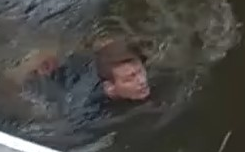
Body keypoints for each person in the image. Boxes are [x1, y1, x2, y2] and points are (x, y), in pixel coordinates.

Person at [13, 38, 152, 115]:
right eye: (129, 79)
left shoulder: (134, 71)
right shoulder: (86, 106)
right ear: (110, 88)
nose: (141, 81)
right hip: (51, 84)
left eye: (140, 71)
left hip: (84, 62)